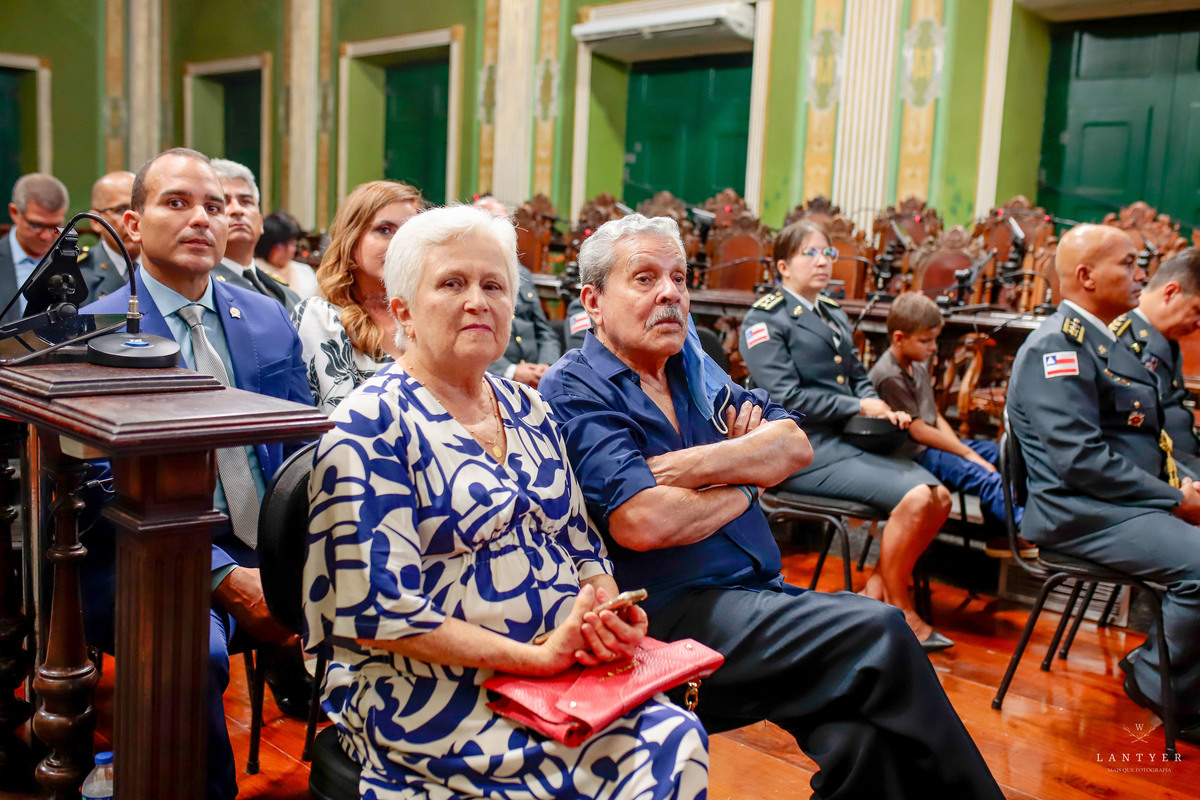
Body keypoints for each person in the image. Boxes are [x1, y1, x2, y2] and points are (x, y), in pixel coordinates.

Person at [539, 213, 1003, 799]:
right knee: (881, 629)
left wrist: (707, 468)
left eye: (679, 278)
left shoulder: (692, 363)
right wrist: (746, 470)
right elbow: (643, 521)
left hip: (755, 591)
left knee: (860, 741)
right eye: (645, 278)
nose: (670, 294)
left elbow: (793, 445)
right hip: (671, 611)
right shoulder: (576, 384)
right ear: (594, 302)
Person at [303, 204, 709, 799]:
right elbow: (382, 614)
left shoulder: (530, 408)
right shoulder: (370, 425)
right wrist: (532, 661)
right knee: (629, 765)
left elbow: (581, 544)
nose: (478, 301)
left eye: (494, 285)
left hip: (555, 664)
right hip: (426, 682)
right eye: (452, 283)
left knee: (676, 733)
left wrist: (604, 613)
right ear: (403, 312)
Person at [81, 148, 314, 800]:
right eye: (176, 203)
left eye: (214, 206)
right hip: (141, 553)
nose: (203, 219)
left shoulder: (265, 317)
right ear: (132, 225)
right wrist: (222, 576)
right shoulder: (95, 328)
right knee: (193, 654)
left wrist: (307, 554)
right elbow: (97, 488)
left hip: (264, 537)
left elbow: (297, 449)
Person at [1007, 223, 1200, 745]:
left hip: (1112, 502)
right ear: (1087, 276)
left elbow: (1144, 437)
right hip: (1077, 512)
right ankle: (1155, 677)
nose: (1141, 275)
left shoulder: (1102, 339)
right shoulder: (1057, 347)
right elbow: (1080, 461)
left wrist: (1180, 485)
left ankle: (1184, 686)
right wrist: (1174, 498)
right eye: (1129, 264)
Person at [739, 219, 953, 648]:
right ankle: (901, 609)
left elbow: (858, 377)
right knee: (917, 497)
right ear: (782, 266)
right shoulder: (764, 319)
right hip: (801, 446)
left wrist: (880, 407)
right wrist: (858, 405)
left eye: (829, 253)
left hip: (849, 440)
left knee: (940, 498)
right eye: (811, 253)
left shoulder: (833, 314)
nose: (824, 262)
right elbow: (785, 396)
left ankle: (874, 595)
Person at [869, 291, 1034, 558]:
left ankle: (1001, 534)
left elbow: (934, 415)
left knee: (1002, 455)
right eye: (925, 341)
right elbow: (918, 430)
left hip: (931, 446)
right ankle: (1028, 531)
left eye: (934, 340)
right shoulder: (888, 374)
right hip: (912, 456)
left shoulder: (918, 363)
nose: (933, 347)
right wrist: (966, 454)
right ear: (899, 338)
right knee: (984, 474)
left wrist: (961, 447)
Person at [290, 179, 423, 414]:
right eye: (384, 230)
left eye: (410, 233)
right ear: (351, 242)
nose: (400, 243)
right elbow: (339, 419)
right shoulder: (322, 316)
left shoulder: (428, 317)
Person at [1110, 248, 1200, 477]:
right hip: (1153, 470)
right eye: (1197, 310)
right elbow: (1127, 438)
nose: (1198, 323)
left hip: (1183, 460)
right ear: (1170, 293)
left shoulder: (1166, 339)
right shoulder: (1118, 339)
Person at [471, 195, 562, 388]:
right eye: (493, 222)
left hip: (538, 380)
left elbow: (545, 331)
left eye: (507, 224)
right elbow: (468, 338)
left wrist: (546, 366)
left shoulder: (522, 273)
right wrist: (510, 371)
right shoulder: (468, 277)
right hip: (493, 380)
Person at [209, 158, 301, 314]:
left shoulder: (284, 292)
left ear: (260, 222)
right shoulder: (200, 288)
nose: (237, 210)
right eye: (223, 202)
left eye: (246, 201)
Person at [1, 172, 69, 323]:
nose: (45, 236)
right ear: (14, 213)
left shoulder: (74, 262)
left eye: (54, 227)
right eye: (36, 225)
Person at [79, 171, 139, 302]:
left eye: (139, 208)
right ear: (95, 221)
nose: (134, 219)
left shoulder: (168, 269)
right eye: (121, 210)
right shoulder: (78, 276)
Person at [253, 209, 318, 299]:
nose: (290, 249)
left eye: (292, 243)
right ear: (268, 244)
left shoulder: (305, 271)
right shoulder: (254, 272)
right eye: (282, 244)